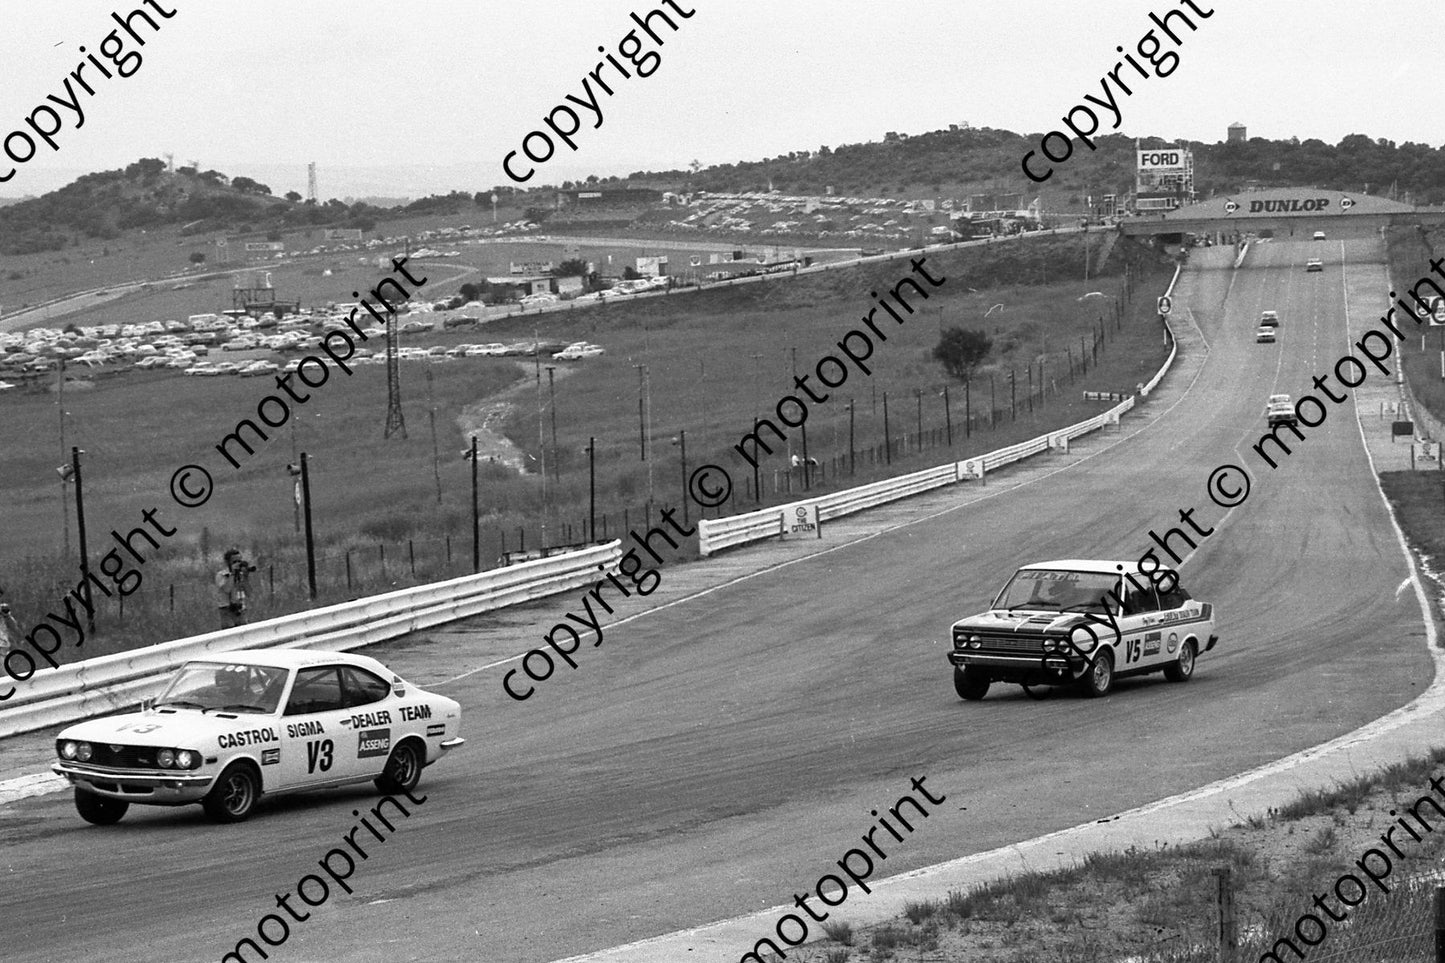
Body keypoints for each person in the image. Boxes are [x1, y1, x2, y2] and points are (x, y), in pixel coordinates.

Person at [215, 548, 249, 628]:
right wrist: (233, 574)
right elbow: (227, 589)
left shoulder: (240, 575)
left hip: (240, 608)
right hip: (227, 610)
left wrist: (245, 576)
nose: (237, 564)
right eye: (234, 562)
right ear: (228, 563)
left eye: (239, 561)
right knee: (230, 634)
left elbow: (248, 592)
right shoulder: (221, 575)